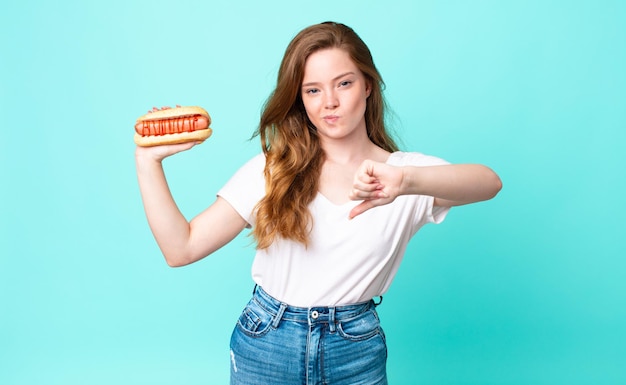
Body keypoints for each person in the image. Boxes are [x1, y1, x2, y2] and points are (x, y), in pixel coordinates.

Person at [136, 21, 502, 385]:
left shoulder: (402, 176)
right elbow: (180, 249)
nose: (330, 102)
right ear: (301, 99)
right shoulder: (271, 170)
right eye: (313, 90)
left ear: (368, 85)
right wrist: (148, 161)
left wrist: (405, 182)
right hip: (267, 340)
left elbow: (489, 183)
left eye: (344, 83)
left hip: (354, 347)